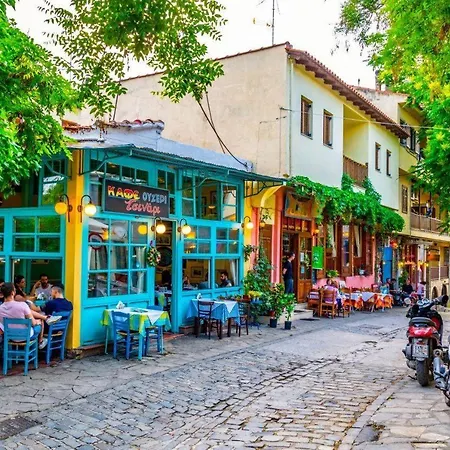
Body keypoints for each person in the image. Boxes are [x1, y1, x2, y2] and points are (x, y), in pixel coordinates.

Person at [0, 282, 48, 350]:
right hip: (26, 336)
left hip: (10, 337)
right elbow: (33, 323)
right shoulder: (22, 305)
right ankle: (40, 342)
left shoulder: (0, 308)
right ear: (13, 293)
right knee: (39, 324)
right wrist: (38, 322)